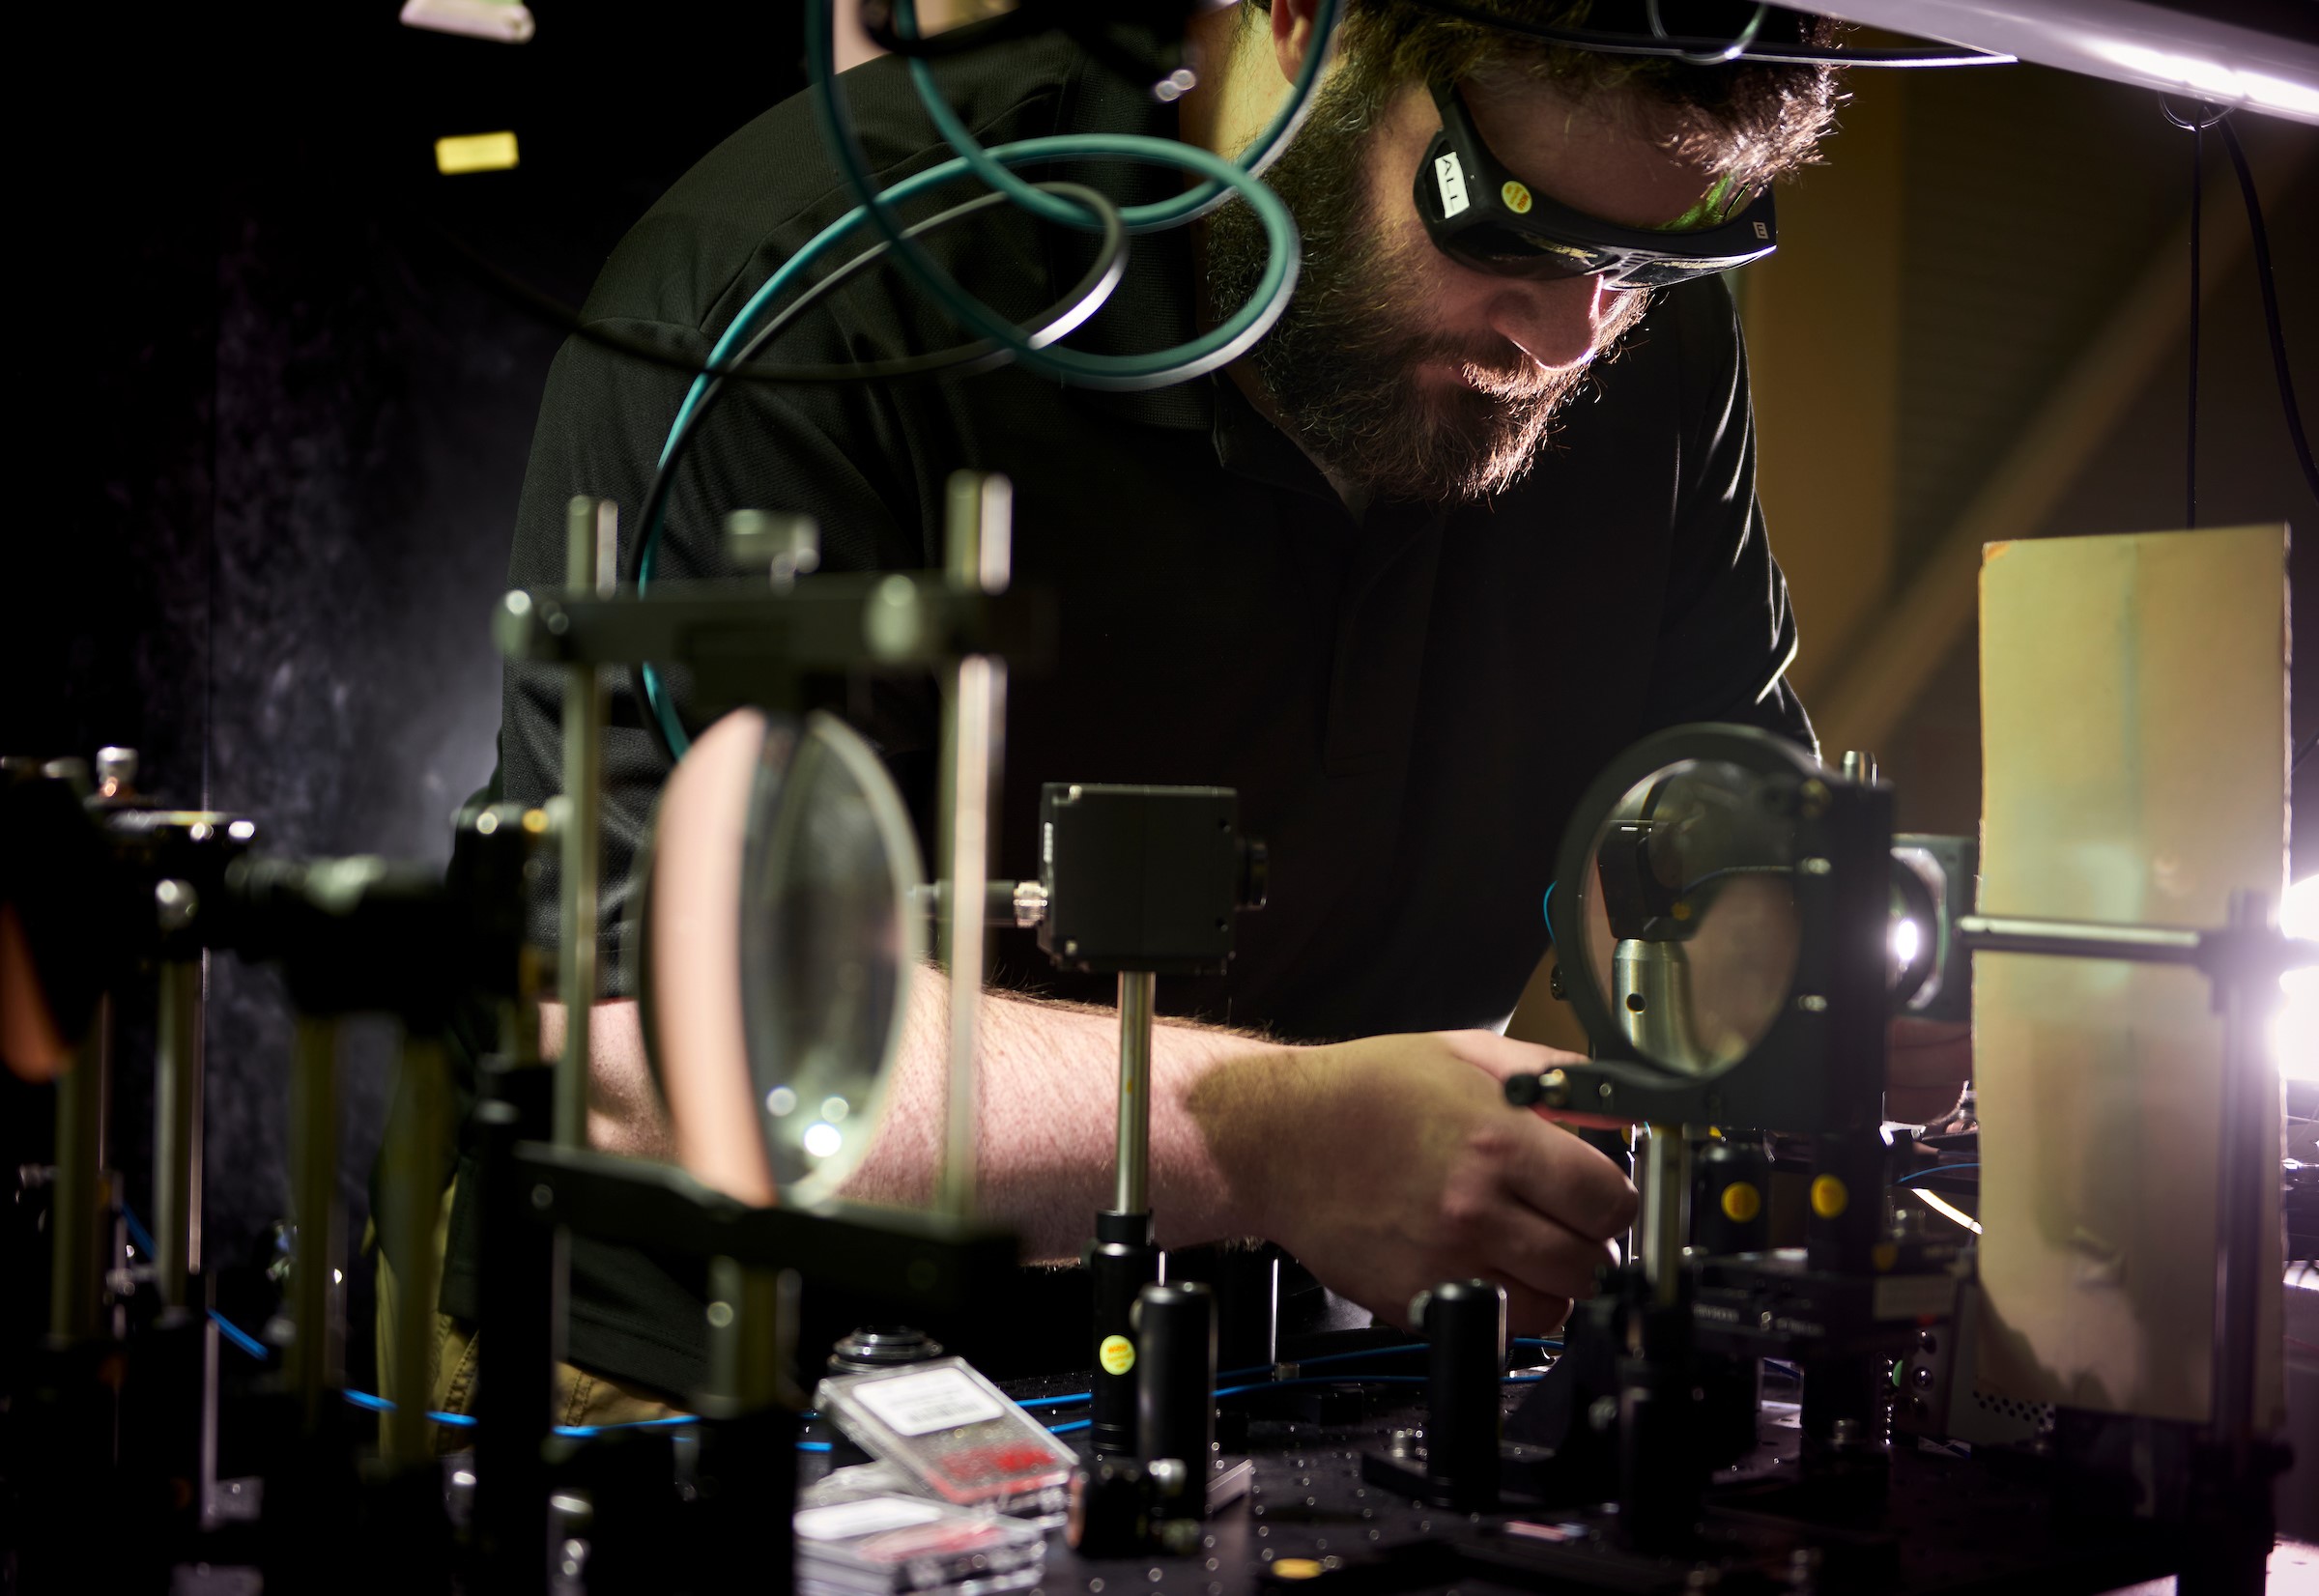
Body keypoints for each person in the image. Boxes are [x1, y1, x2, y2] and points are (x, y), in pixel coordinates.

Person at [414, 0, 1964, 1422]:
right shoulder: (829, 286)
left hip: (1263, 1374)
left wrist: (1770, 975)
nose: (1567, 340)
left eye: (1648, 265)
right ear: (1297, 22)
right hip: (718, 1375)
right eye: (1507, 232)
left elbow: (1678, 814)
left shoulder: (1636, 335)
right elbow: (638, 1054)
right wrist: (1268, 1138)